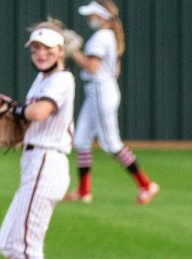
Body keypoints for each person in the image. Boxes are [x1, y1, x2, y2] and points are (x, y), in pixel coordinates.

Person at [0, 21, 77, 259]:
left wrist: (15, 109)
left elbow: (39, 113)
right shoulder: (43, 79)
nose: (41, 53)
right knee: (10, 243)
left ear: (60, 51)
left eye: (47, 48)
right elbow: (32, 114)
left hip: (47, 162)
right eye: (36, 48)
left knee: (27, 245)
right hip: (36, 163)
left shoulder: (61, 79)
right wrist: (16, 110)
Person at [63, 0, 159, 205]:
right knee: (81, 140)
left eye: (92, 15)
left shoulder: (101, 37)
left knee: (110, 143)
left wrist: (73, 51)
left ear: (102, 17)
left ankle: (146, 184)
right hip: (99, 90)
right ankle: (83, 191)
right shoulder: (109, 36)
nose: (90, 19)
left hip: (101, 91)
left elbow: (91, 67)